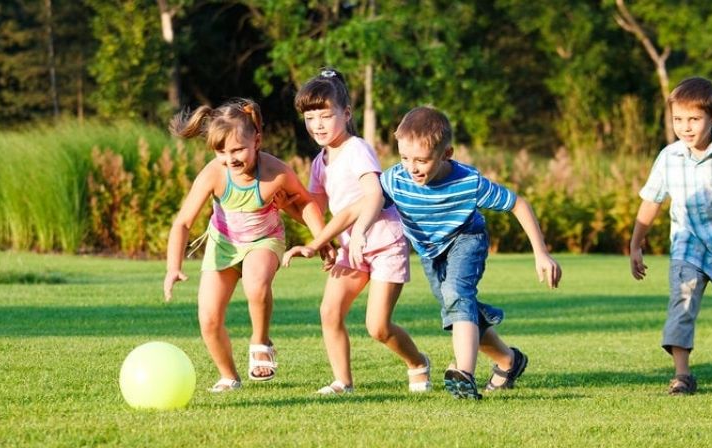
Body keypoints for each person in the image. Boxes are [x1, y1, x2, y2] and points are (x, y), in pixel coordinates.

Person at [346, 106, 561, 399]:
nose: (412, 167)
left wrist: (541, 253)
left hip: (467, 238)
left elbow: (517, 204)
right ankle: (508, 360)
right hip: (430, 251)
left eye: (421, 160)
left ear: (447, 153)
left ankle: (464, 374)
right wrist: (350, 233)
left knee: (457, 295)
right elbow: (369, 201)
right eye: (405, 158)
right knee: (458, 307)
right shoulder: (397, 179)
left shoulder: (468, 182)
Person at [282, 69, 431, 395]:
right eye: (310, 117)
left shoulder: (357, 149)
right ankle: (342, 382)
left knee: (377, 327)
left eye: (325, 115)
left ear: (346, 114)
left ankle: (418, 362)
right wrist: (281, 204)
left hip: (383, 242)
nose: (317, 124)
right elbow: (314, 210)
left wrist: (359, 230)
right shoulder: (320, 161)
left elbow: (374, 194)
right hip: (352, 247)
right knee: (329, 311)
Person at [164, 98, 327, 393]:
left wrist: (322, 241)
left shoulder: (275, 172)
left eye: (238, 149)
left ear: (257, 141)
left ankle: (260, 340)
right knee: (209, 319)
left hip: (264, 240)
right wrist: (173, 267)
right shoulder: (215, 173)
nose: (231, 159)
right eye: (221, 151)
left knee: (256, 284)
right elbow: (183, 223)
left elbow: (306, 205)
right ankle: (228, 376)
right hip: (223, 244)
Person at [629, 76, 712, 395]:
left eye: (694, 119)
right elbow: (651, 201)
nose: (686, 127)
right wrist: (635, 244)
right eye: (678, 119)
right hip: (688, 246)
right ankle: (682, 375)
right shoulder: (669, 157)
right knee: (681, 305)